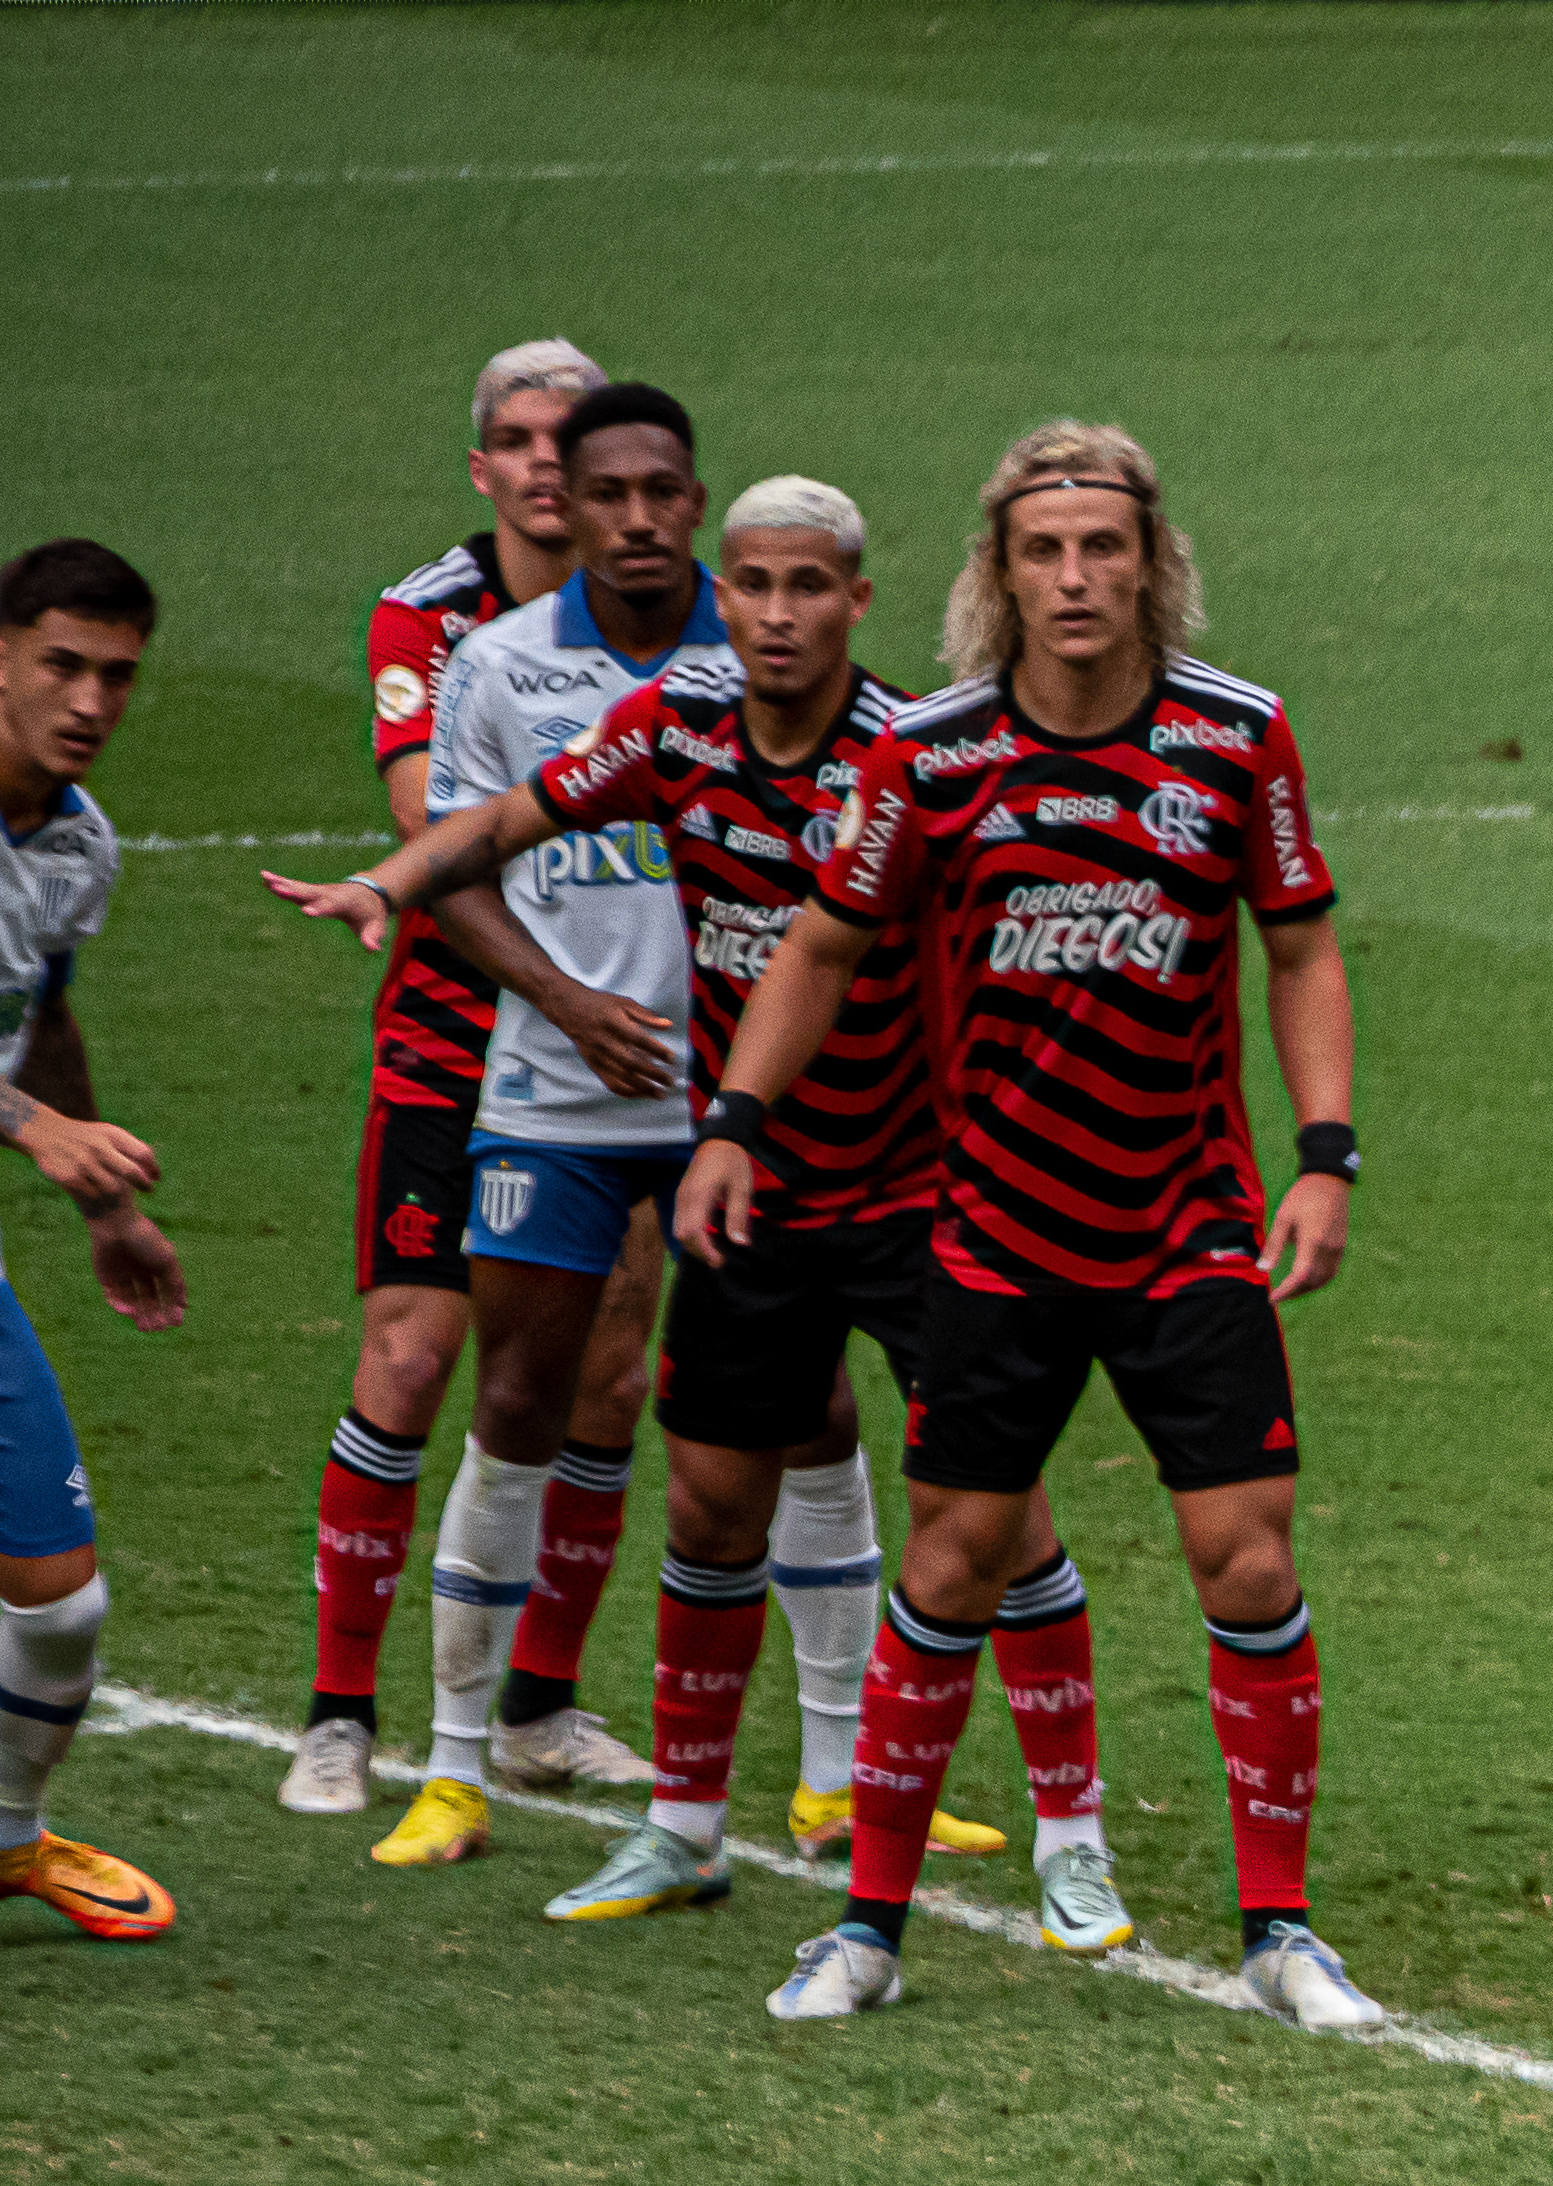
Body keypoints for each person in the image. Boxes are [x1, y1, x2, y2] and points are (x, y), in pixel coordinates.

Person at [273, 478, 1095, 1932]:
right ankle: (633, 1814)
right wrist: (390, 881)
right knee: (691, 1483)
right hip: (716, 1164)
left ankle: (1057, 1834)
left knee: (986, 1486)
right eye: (755, 586)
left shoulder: (909, 755)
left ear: (857, 598)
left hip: (899, 1175)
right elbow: (510, 819)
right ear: (727, 591)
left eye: (808, 586)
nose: (777, 613)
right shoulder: (666, 726)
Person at [687, 418, 1372, 2034]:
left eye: (1105, 548)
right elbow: (821, 949)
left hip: (1186, 1222)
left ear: (1153, 565)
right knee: (953, 1557)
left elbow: (1300, 947)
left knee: (1247, 1554)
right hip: (992, 1232)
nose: (1077, 578)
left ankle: (1278, 1932)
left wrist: (1325, 1154)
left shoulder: (1237, 738)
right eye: (1044, 550)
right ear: (997, 573)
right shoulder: (929, 756)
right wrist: (734, 1122)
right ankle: (866, 1927)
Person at [285, 339, 670, 1820]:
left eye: (563, 442)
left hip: (614, 1048)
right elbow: (430, 828)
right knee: (411, 1356)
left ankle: (540, 1708)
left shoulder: (667, 625)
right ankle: (336, 1712)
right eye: (515, 440)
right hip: (464, 1034)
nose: (540, 465)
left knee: (610, 1372)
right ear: (486, 467)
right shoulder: (433, 616)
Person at [357, 379, 725, 1870]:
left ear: (694, 499)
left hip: (724, 1106)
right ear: (560, 505)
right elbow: (450, 865)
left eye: (663, 491)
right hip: (549, 1095)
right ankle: (453, 1766)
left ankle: (823, 1775)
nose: (636, 518)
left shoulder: (761, 644)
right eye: (607, 492)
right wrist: (567, 1006)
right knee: (516, 1399)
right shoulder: (499, 665)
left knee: (788, 1410)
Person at [0, 543, 184, 1941]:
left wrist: (106, 1204)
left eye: (116, 674)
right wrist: (36, 1131)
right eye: (63, 663)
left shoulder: (82, 842)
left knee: (62, 1608)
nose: (90, 697)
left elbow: (42, 1016)